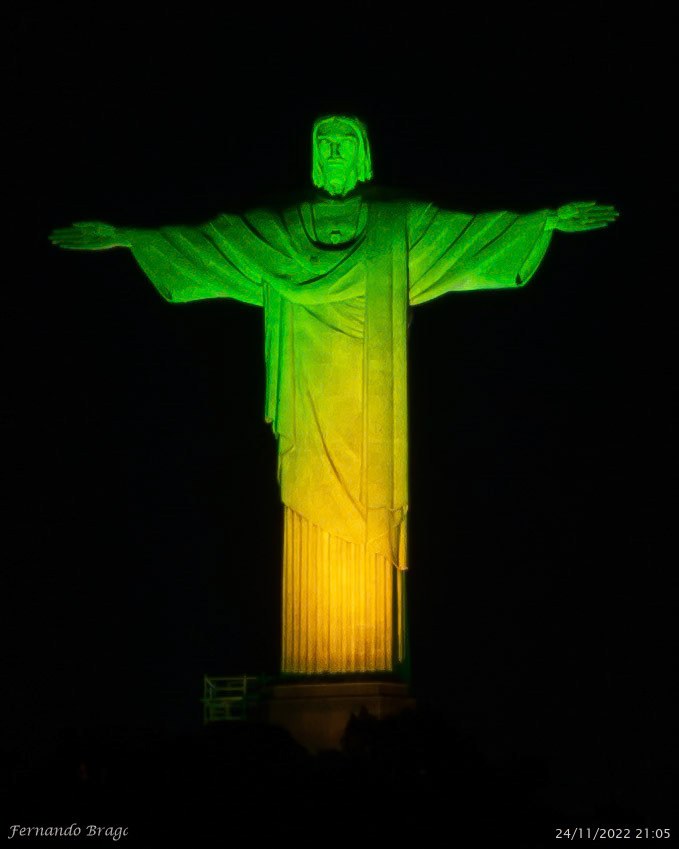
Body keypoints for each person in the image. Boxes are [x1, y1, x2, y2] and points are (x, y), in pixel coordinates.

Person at [50, 115, 618, 676]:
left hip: (373, 409)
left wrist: (543, 223)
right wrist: (130, 237)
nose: (335, 152)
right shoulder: (281, 231)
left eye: (346, 142)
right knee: (307, 507)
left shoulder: (398, 226)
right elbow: (214, 242)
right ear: (313, 155)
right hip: (309, 395)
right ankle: (311, 675)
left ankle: (368, 674)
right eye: (326, 143)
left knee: (370, 524)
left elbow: (471, 234)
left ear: (365, 154)